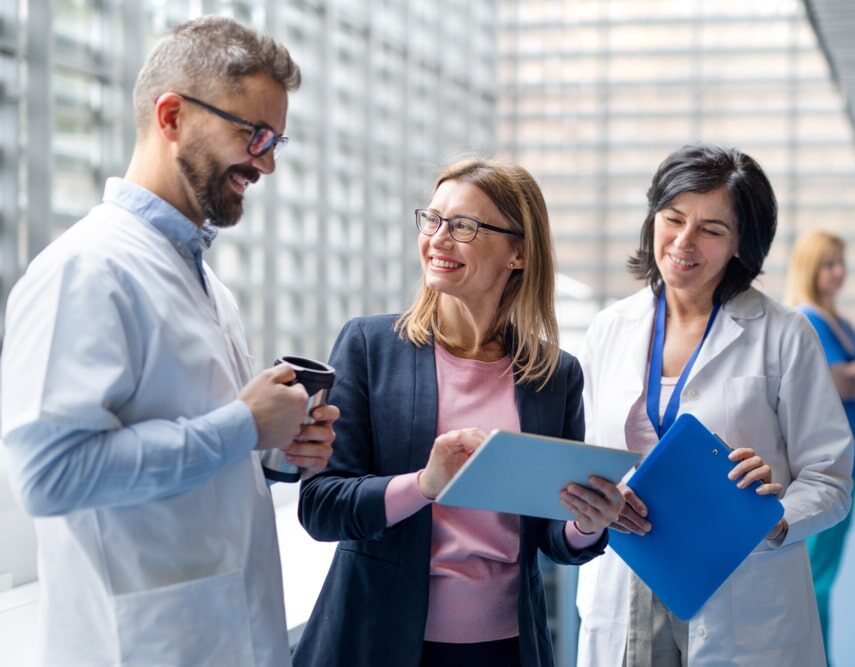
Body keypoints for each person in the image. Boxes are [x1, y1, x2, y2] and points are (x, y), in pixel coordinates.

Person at [0, 16, 338, 667]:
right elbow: (49, 476)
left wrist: (274, 450)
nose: (266, 162)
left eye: (277, 141)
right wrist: (241, 425)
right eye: (254, 134)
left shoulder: (208, 283)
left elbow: (196, 452)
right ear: (171, 115)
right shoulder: (86, 270)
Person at [293, 158, 625, 667]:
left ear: (517, 252)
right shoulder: (369, 346)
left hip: (506, 649)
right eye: (433, 219)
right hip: (377, 641)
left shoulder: (554, 375)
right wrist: (426, 483)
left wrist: (588, 522)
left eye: (465, 226)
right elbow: (321, 506)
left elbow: (553, 538)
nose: (439, 239)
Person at [575, 144, 853, 667]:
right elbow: (582, 455)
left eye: (711, 229)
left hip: (741, 585)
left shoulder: (784, 334)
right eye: (672, 218)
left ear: (741, 244)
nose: (683, 242)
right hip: (626, 579)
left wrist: (772, 519)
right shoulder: (610, 329)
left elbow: (831, 478)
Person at [785, 229, 855, 665]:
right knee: (819, 575)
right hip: (832, 465)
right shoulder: (805, 319)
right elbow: (832, 380)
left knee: (826, 571)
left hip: (850, 460)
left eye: (840, 263)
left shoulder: (839, 321)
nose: (837, 272)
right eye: (828, 263)